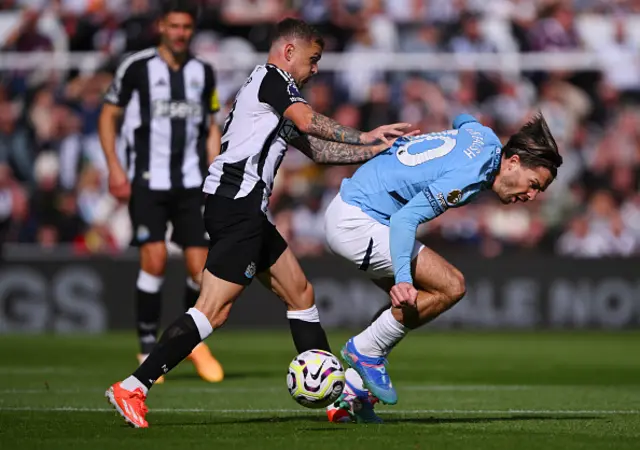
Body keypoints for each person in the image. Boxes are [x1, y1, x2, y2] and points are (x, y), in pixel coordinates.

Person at [105, 17, 415, 428]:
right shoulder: (273, 79)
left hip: (243, 207)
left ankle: (335, 401)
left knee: (301, 293)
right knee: (212, 311)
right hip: (237, 204)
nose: (315, 69)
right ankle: (134, 386)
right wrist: (365, 135)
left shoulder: (273, 94)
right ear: (289, 52)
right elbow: (308, 123)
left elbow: (318, 150)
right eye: (313, 59)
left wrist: (376, 150)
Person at [324, 113, 562, 423]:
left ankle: (351, 398)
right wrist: (403, 279)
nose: (531, 196)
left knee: (412, 305)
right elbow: (405, 219)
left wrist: (427, 145)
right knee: (451, 286)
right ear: (514, 162)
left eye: (538, 192)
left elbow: (463, 119)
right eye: (533, 185)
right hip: (358, 220)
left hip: (351, 208)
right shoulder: (469, 175)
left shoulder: (485, 136)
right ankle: (364, 351)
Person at [99, 1, 224, 385]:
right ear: (161, 27)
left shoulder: (203, 72)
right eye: (174, 26)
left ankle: (191, 342)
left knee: (201, 271)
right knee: (153, 260)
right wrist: (115, 167)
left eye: (186, 27)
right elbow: (108, 115)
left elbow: (210, 125)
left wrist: (216, 170)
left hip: (189, 183)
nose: (181, 33)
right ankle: (146, 345)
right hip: (147, 181)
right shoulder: (137, 68)